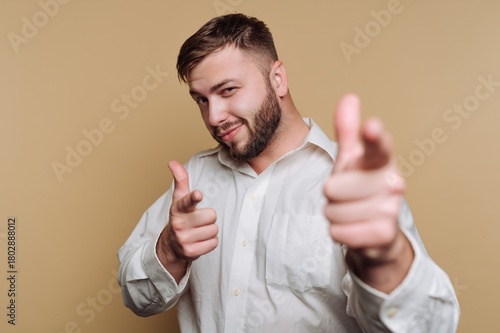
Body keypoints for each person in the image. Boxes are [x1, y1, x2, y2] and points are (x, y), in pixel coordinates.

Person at [117, 13, 459, 332]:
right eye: (201, 100)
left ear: (277, 78)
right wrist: (169, 252)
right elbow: (138, 300)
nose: (214, 117)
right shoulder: (192, 181)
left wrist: (385, 263)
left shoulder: (350, 183)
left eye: (228, 90)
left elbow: (425, 326)